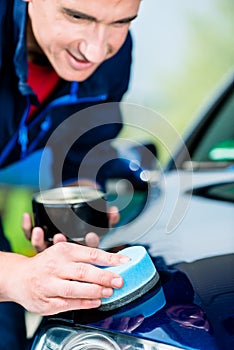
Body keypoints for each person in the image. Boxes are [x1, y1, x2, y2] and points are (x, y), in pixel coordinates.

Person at [0, 0, 141, 348]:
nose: (94, 50)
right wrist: (15, 276)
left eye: (121, 22)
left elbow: (81, 151)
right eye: (76, 16)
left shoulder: (112, 59)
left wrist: (75, 213)